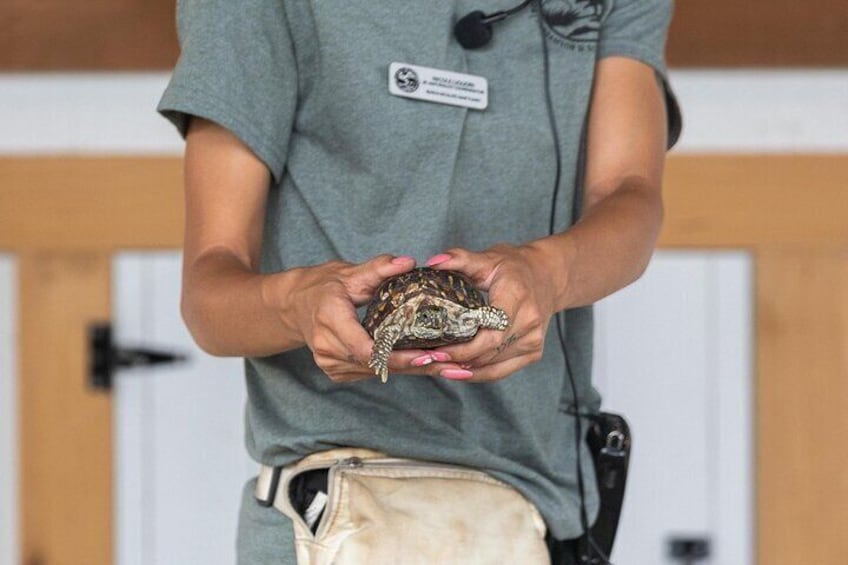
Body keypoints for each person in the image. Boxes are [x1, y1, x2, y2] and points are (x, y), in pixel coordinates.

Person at [158, 0, 681, 563]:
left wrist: (547, 273)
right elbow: (209, 294)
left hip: (540, 503)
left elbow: (630, 190)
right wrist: (297, 305)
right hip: (341, 508)